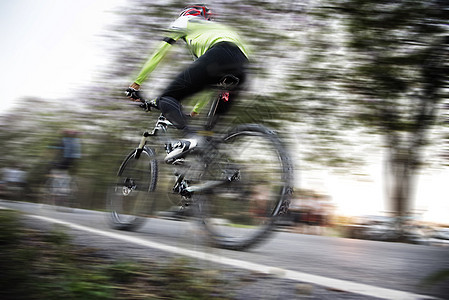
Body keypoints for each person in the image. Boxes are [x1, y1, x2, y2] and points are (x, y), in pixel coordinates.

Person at [126, 4, 249, 163]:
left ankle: (190, 138)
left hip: (220, 55)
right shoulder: (211, 32)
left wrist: (136, 82)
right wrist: (195, 111)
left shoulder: (184, 20)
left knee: (166, 98)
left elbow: (160, 52)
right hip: (242, 66)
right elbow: (207, 85)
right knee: (208, 134)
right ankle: (223, 172)